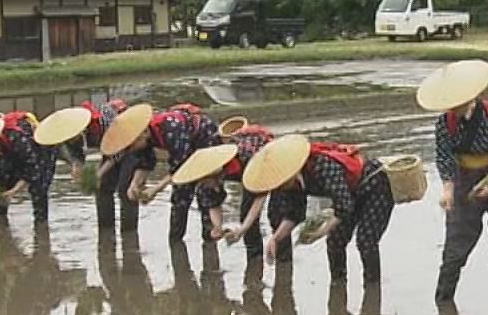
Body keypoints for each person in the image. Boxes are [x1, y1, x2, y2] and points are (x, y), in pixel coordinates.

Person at [419, 60, 488, 304]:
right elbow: (444, 157)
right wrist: (448, 189)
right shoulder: (444, 123)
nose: (453, 107)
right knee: (454, 249)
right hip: (463, 181)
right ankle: (443, 302)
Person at [240, 134, 393, 286]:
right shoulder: (291, 184)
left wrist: (321, 231)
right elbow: (294, 214)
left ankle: (372, 289)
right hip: (349, 193)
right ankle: (338, 284)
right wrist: (275, 239)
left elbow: (344, 206)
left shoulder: (321, 166)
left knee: (366, 241)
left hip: (374, 185)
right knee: (335, 242)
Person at [122, 104, 224, 243]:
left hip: (205, 143)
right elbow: (145, 162)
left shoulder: (171, 129)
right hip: (184, 151)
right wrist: (134, 185)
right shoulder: (144, 137)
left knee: (206, 194)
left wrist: (155, 189)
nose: (131, 149)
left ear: (143, 133)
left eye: (131, 145)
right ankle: (176, 241)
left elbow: (181, 168)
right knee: (180, 199)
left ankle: (210, 239)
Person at [221, 123, 305, 261]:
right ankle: (255, 257)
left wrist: (242, 229)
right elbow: (254, 201)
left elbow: (260, 197)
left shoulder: (257, 159)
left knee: (278, 214)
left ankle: (282, 259)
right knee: (245, 212)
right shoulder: (227, 160)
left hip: (275, 166)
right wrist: (241, 229)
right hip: (249, 169)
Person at [59, 97, 127, 178]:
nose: (72, 139)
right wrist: (76, 167)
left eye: (74, 136)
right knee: (103, 185)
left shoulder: (106, 120)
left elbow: (117, 152)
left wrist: (99, 173)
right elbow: (77, 155)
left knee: (122, 180)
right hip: (107, 147)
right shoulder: (69, 135)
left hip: (127, 141)